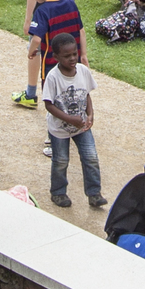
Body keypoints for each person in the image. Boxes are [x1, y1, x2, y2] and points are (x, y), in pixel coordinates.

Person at [37, 26, 103, 211]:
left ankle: (94, 194)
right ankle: (58, 192)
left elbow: (86, 94)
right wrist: (69, 118)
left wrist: (90, 115)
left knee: (91, 158)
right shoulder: (53, 78)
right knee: (61, 161)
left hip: (82, 127)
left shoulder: (83, 71)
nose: (73, 58)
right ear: (56, 57)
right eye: (67, 56)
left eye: (75, 54)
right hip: (59, 130)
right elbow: (48, 105)